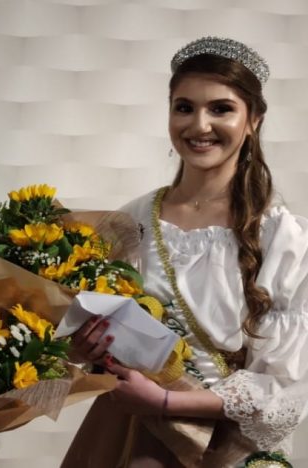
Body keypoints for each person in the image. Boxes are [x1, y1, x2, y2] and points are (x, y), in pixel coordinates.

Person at [63, 37, 308, 467]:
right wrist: (86, 347)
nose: (199, 125)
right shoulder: (130, 220)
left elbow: (286, 386)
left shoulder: (281, 235)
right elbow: (104, 325)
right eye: (184, 107)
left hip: (228, 447)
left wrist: (166, 401)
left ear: (254, 119)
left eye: (221, 108)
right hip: (134, 433)